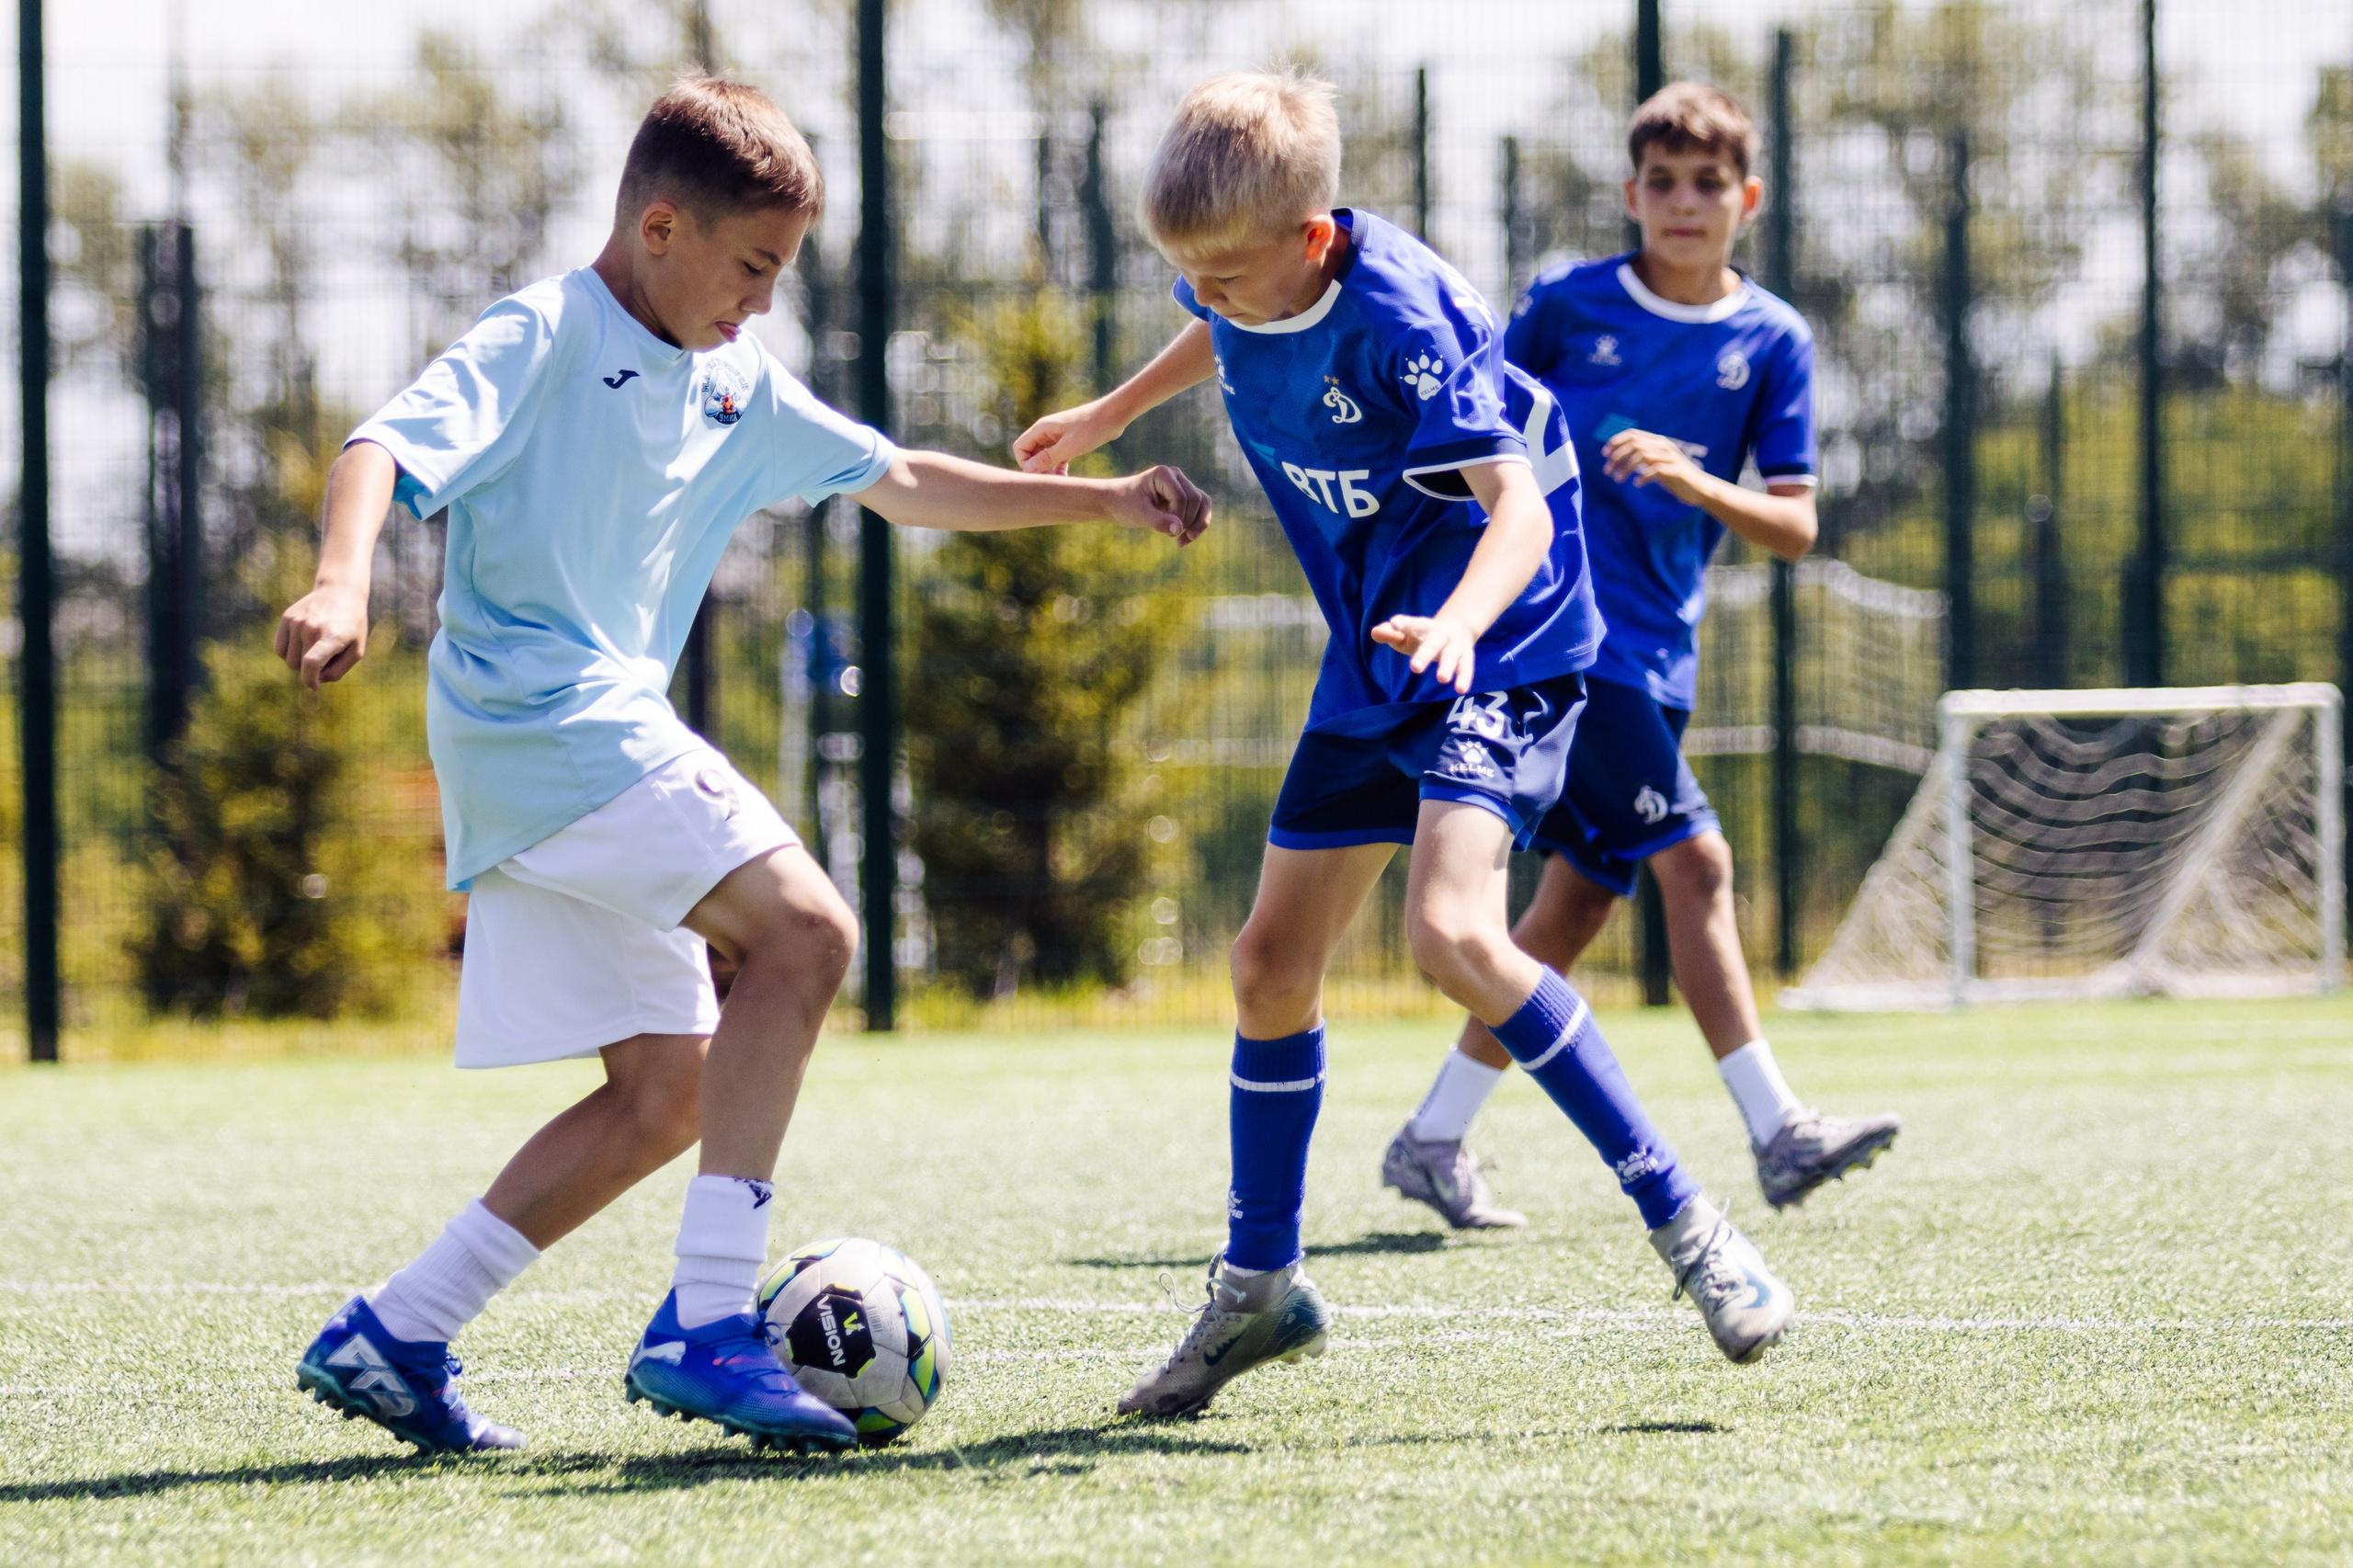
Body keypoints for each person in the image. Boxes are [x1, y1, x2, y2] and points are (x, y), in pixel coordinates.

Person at [274, 77, 1211, 1456]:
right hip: (549, 720)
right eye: (753, 265)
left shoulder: (731, 381)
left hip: (575, 740)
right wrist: (342, 583)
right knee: (812, 933)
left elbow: (905, 480)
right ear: (661, 226)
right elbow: (384, 445)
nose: (764, 299)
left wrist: (1107, 499)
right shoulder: (546, 331)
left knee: (672, 1092)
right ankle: (709, 1322)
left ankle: (399, 1331)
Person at [1016, 69, 1793, 1419]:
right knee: (1267, 965)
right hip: (1387, 635)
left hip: (1508, 631)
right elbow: (1219, 325)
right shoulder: (1244, 273)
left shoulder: (1401, 317)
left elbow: (1522, 517)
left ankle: (1696, 1231)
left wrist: (1459, 632)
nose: (1203, 291)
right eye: (1184, 270)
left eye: (1224, 270)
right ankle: (1260, 1286)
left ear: (1312, 241)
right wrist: (1107, 420)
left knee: (1453, 934)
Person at [1381, 84, 1900, 1233]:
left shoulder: (1773, 340)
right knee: (1698, 866)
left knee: (1571, 907)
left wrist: (1692, 478)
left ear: (1745, 200)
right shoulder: (1566, 308)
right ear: (1630, 196)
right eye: (1660, 182)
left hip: (1662, 655)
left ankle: (1432, 1136)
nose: (1682, 202)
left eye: (1706, 183)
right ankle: (1776, 1130)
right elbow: (1474, 431)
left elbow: (1796, 526)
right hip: (1569, 638)